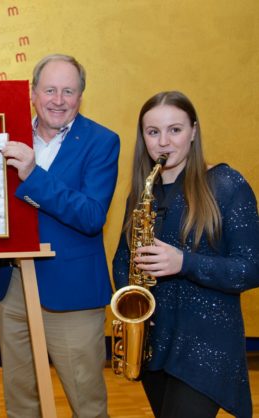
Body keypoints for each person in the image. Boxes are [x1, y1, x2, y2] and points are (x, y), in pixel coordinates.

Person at [0, 54, 120, 417]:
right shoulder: (5, 135)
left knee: (87, 404)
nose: (58, 100)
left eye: (68, 91)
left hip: (73, 293)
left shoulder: (102, 142)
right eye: (50, 90)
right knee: (20, 402)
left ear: (80, 96)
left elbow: (91, 216)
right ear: (32, 93)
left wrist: (33, 175)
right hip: (12, 287)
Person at [112, 91, 259, 418]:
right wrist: (132, 304)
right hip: (155, 342)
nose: (163, 142)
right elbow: (123, 258)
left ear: (193, 131)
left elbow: (251, 268)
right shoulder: (143, 192)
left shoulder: (226, 184)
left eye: (175, 130)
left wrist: (184, 262)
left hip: (206, 345)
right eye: (153, 132)